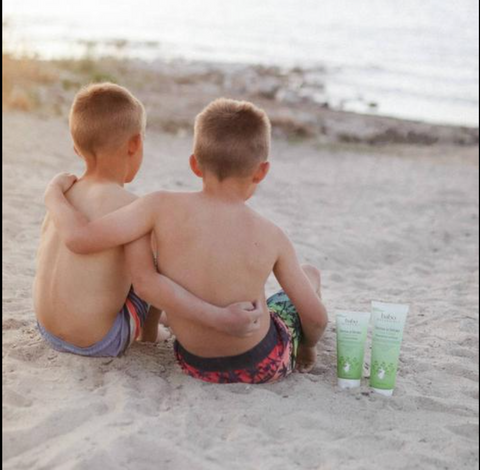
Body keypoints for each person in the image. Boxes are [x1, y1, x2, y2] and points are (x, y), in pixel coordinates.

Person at [44, 98, 328, 382]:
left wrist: (53, 193)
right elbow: (315, 319)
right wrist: (307, 347)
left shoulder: (157, 206)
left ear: (194, 164)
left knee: (159, 264)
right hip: (260, 362)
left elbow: (86, 242)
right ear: (261, 171)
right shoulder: (273, 235)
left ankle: (154, 331)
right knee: (310, 274)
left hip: (193, 362)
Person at [34, 86, 262, 358]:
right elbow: (146, 285)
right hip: (98, 340)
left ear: (76, 147)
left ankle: (157, 321)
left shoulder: (63, 193)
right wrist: (219, 318)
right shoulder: (131, 206)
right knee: (158, 254)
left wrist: (51, 192)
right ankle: (151, 332)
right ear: (135, 144)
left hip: (46, 328)